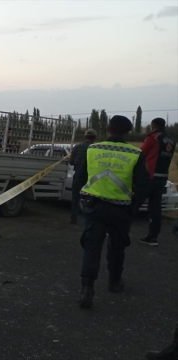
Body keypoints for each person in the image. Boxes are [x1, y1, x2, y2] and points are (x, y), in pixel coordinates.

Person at [75, 115, 149, 309]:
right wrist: (133, 207)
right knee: (117, 247)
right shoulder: (136, 153)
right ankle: (114, 282)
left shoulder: (92, 149)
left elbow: (81, 176)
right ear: (127, 132)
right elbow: (142, 186)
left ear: (107, 129)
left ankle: (87, 290)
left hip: (94, 206)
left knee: (92, 246)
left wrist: (80, 202)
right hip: (120, 209)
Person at [137, 118, 175, 246]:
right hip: (162, 177)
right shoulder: (171, 140)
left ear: (153, 126)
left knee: (133, 203)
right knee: (155, 208)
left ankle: (118, 230)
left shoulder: (153, 138)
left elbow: (142, 153)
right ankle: (153, 237)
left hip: (149, 176)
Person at [69, 129, 97, 224]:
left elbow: (71, 161)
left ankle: (73, 219)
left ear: (85, 136)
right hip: (90, 177)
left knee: (75, 198)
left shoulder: (77, 147)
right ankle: (88, 219)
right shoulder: (95, 148)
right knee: (89, 198)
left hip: (78, 175)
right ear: (94, 138)